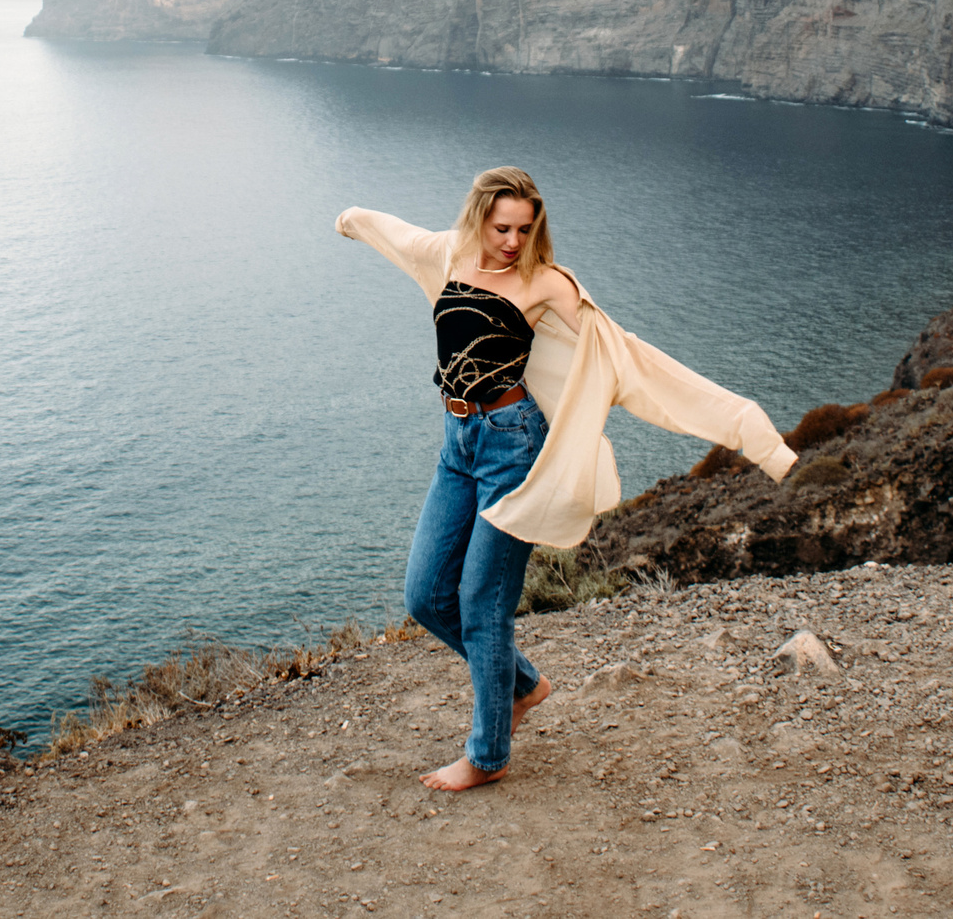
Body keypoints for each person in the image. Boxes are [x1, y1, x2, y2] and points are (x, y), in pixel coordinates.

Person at [337, 166, 797, 792]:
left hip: (512, 446)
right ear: (478, 218)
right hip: (458, 442)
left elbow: (628, 358)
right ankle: (524, 685)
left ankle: (488, 756)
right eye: (502, 228)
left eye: (525, 230)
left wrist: (750, 430)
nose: (513, 242)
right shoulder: (447, 255)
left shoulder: (546, 283)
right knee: (425, 596)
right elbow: (396, 234)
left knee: (481, 604)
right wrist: (351, 221)